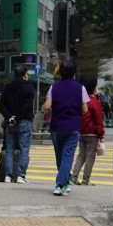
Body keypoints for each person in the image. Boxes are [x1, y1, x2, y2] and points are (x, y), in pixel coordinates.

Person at [44, 59, 89, 196]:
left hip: (57, 126)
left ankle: (63, 182)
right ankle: (62, 183)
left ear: (61, 72)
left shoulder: (54, 87)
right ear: (74, 72)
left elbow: (47, 107)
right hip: (73, 126)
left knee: (60, 156)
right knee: (67, 156)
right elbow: (85, 109)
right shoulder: (80, 87)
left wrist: (50, 112)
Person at [0, 64, 36, 183]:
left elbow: (1, 105)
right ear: (25, 74)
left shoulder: (7, 87)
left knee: (9, 149)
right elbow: (28, 105)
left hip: (10, 123)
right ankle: (21, 176)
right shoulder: (29, 87)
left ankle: (8, 176)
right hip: (24, 121)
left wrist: (10, 117)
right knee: (24, 149)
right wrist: (17, 117)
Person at [69, 79, 104, 186]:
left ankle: (74, 177)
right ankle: (85, 180)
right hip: (92, 134)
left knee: (81, 155)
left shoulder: (81, 102)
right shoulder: (95, 102)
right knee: (90, 157)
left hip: (81, 132)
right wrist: (101, 133)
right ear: (94, 89)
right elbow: (98, 119)